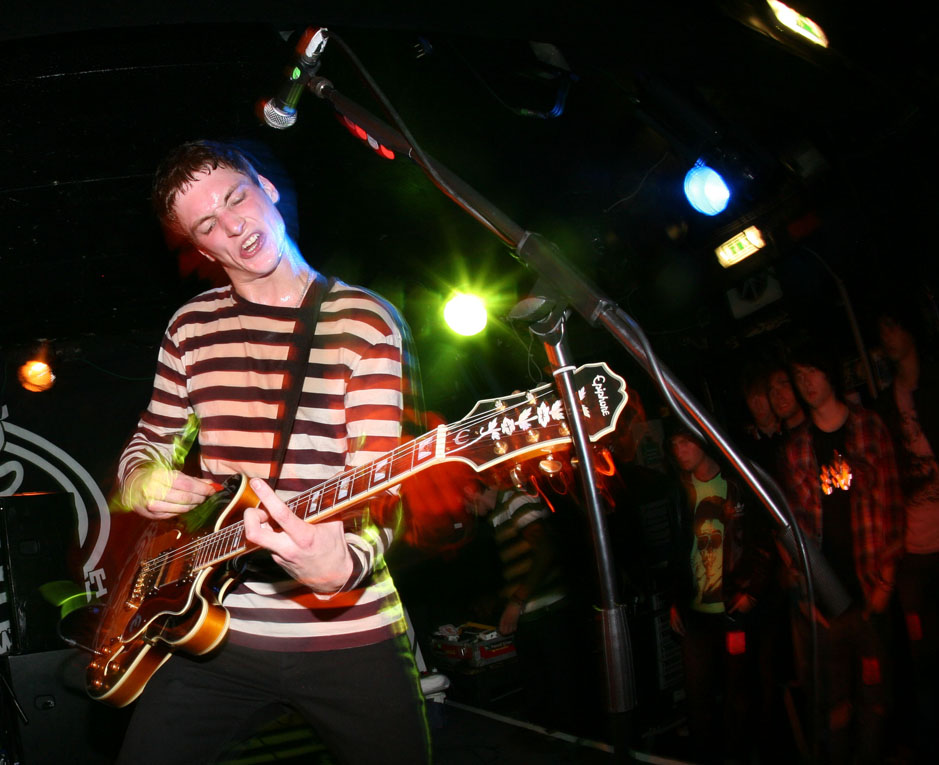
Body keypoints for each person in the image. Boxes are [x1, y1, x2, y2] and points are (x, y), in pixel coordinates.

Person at [112, 140, 429, 764]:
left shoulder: (365, 320)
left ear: (268, 189)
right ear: (202, 248)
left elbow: (381, 479)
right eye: (208, 225)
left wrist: (347, 563)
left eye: (237, 198)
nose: (233, 225)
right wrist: (142, 478)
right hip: (216, 632)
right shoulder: (189, 328)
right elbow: (147, 442)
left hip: (349, 632)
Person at [781, 341, 902, 765]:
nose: (805, 383)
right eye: (798, 376)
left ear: (828, 372)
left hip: (870, 586)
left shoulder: (869, 427)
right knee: (835, 706)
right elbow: (795, 533)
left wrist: (886, 581)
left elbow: (892, 507)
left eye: (810, 371)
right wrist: (808, 596)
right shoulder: (797, 448)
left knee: (875, 699)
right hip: (827, 600)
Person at [667, 427, 772, 764]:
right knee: (696, 694)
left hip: (731, 607)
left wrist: (752, 591)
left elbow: (762, 537)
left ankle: (737, 755)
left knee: (737, 694)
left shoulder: (736, 483)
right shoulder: (680, 492)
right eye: (674, 446)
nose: (680, 451)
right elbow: (676, 550)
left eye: (685, 442)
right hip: (695, 611)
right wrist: (674, 600)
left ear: (702, 441)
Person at [874, 304, 939, 759]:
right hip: (912, 554)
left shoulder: (933, 386)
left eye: (894, 324)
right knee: (922, 658)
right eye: (882, 330)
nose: (888, 336)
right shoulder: (883, 405)